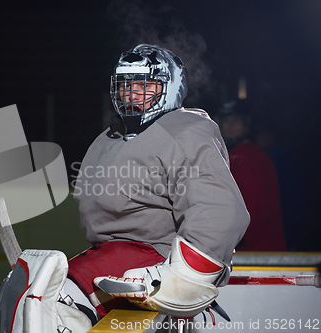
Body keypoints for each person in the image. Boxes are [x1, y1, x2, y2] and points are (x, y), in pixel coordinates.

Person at [67, 44, 250, 321]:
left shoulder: (183, 129)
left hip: (153, 260)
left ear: (172, 86)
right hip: (109, 259)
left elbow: (220, 212)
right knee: (38, 292)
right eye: (126, 85)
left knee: (61, 303)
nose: (132, 93)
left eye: (145, 85)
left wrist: (186, 278)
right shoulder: (109, 137)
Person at [219, 108, 287, 251]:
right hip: (263, 245)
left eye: (235, 121)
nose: (230, 126)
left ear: (246, 126)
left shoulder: (243, 156)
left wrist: (237, 238)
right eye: (226, 121)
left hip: (252, 249)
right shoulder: (252, 153)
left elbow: (253, 203)